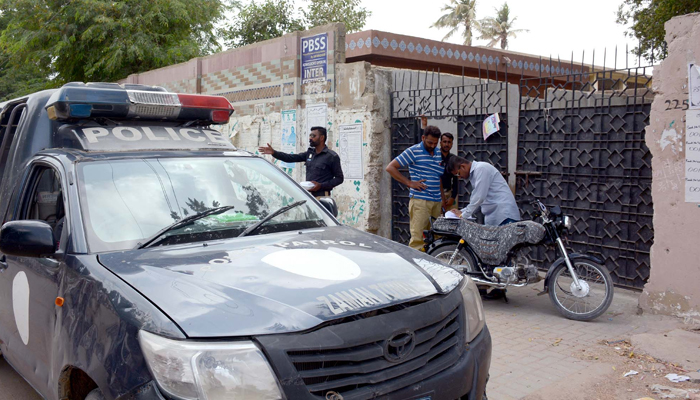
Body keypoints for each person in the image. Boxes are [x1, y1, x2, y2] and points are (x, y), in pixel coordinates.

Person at [385, 125, 444, 250]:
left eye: (435, 143)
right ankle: (416, 267)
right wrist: (409, 183)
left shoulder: (438, 153)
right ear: (423, 138)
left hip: (436, 202)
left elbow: (438, 177)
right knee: (418, 239)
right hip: (420, 201)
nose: (433, 146)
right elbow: (390, 167)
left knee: (436, 237)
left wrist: (442, 199)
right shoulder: (413, 151)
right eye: (430, 142)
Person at [258, 126, 344, 198]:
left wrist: (321, 186)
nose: (310, 138)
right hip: (308, 196)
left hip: (322, 197)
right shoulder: (310, 153)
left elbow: (339, 178)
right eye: (310, 136)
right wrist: (274, 153)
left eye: (313, 136)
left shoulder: (332, 156)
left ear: (322, 138)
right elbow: (291, 158)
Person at [447, 155, 521, 226]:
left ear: (463, 166)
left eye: (458, 174)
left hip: (504, 216)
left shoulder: (481, 169)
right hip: (495, 218)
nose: (459, 177)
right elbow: (479, 202)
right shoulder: (475, 174)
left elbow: (479, 197)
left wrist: (462, 215)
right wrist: (461, 212)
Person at [439, 132, 459, 211]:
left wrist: (453, 197)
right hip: (436, 194)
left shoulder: (453, 159)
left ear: (452, 144)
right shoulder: (435, 157)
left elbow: (456, 179)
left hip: (449, 193)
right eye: (444, 142)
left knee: (453, 219)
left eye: (449, 142)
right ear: (440, 143)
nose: (446, 144)